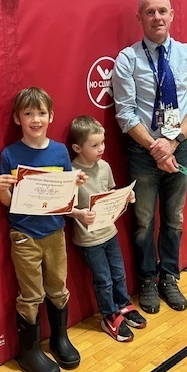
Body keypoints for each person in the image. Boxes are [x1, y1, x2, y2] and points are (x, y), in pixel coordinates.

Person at [112, 0, 187, 314]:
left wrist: (173, 143)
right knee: (142, 221)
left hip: (179, 149)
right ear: (139, 17)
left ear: (172, 15)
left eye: (162, 11)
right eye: (150, 12)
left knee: (174, 219)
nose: (157, 17)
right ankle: (146, 279)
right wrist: (156, 147)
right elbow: (125, 114)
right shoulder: (127, 60)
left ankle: (169, 277)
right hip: (143, 153)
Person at [0, 87, 87, 372]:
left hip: (55, 232)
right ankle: (29, 350)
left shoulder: (60, 151)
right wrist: (1, 189)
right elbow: (9, 203)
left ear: (51, 117)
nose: (36, 119)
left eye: (41, 113)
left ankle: (59, 338)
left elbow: (64, 195)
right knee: (31, 294)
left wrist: (75, 182)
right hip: (24, 235)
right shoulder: (10, 154)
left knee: (58, 289)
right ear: (17, 118)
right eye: (28, 113)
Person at [67, 115, 147, 342]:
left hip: (109, 233)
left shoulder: (104, 167)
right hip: (89, 239)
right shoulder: (72, 173)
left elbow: (110, 194)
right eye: (94, 145)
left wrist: (126, 196)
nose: (101, 148)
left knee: (118, 273)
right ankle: (109, 315)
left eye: (103, 143)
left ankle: (122, 305)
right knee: (103, 279)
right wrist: (79, 213)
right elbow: (65, 205)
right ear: (77, 147)